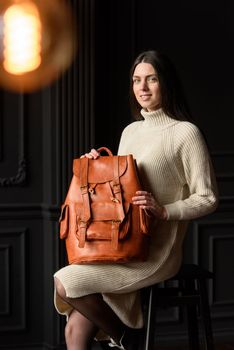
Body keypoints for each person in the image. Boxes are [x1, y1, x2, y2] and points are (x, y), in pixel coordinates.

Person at [54, 50, 219, 350]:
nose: (142, 88)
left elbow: (207, 198)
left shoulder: (186, 134)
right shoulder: (130, 132)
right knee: (74, 329)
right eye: (136, 80)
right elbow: (118, 193)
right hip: (122, 244)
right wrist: (95, 167)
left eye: (151, 79)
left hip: (156, 254)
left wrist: (164, 210)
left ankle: (126, 338)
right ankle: (126, 338)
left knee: (65, 281)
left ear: (165, 83)